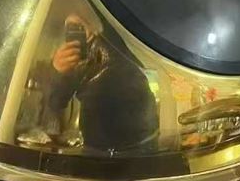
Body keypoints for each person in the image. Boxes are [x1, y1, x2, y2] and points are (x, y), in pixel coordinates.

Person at [48, 15, 159, 153]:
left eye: (79, 25)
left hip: (142, 141)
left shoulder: (117, 34)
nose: (76, 27)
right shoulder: (70, 55)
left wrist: (100, 29)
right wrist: (57, 71)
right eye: (72, 28)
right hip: (95, 145)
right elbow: (56, 102)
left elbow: (141, 54)